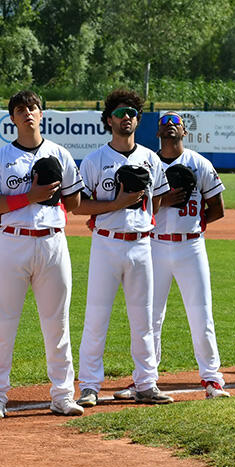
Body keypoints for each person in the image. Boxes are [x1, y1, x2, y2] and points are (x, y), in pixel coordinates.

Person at [0, 91, 85, 419]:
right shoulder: (0, 158)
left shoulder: (60, 154)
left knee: (57, 323)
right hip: (13, 242)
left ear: (42, 114)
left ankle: (63, 395)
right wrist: (31, 195)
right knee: (2, 322)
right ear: (11, 118)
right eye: (21, 109)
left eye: (33, 108)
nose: (28, 113)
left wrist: (56, 195)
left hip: (53, 242)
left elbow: (76, 203)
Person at [75, 90, 170, 407]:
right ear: (108, 120)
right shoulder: (94, 160)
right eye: (119, 112)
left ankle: (146, 383)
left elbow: (156, 201)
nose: (126, 116)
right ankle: (89, 385)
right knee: (96, 316)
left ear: (138, 119)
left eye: (131, 112)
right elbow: (77, 206)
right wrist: (117, 204)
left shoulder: (151, 159)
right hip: (106, 243)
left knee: (143, 319)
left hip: (142, 245)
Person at [147, 112, 230, 399]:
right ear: (158, 131)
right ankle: (146, 379)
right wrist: (164, 200)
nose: (170, 127)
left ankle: (212, 378)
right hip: (154, 245)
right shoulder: (148, 162)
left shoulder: (199, 164)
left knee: (201, 314)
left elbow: (217, 208)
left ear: (184, 131)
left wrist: (195, 224)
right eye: (164, 124)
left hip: (191, 247)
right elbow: (135, 209)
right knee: (150, 316)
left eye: (175, 124)